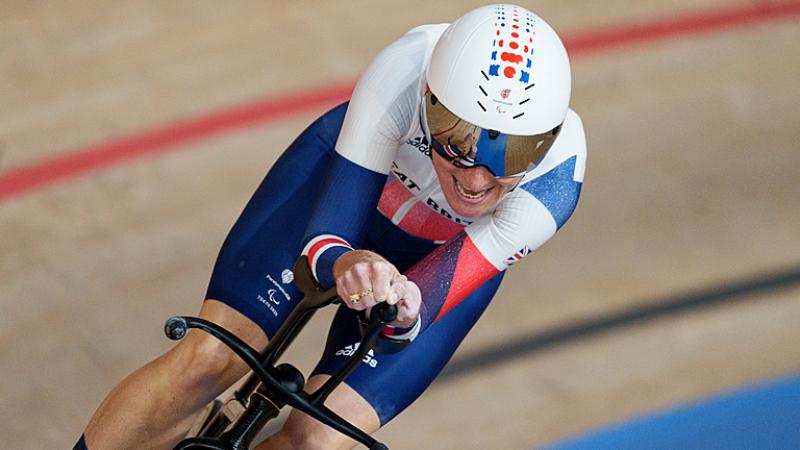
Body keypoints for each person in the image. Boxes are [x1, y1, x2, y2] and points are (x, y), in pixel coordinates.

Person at [74, 3, 586, 449]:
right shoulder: (406, 68)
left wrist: (405, 312)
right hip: (343, 202)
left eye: (509, 157)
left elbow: (414, 317)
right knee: (209, 360)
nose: (475, 180)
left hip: (434, 257)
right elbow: (324, 243)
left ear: (545, 142)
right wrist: (349, 260)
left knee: (322, 439)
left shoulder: (554, 184)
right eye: (457, 143)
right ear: (430, 100)